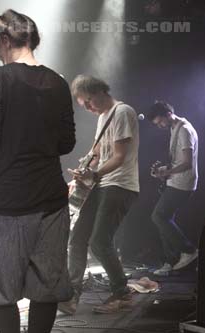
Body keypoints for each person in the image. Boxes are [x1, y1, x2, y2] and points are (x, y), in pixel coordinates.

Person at [0, 9, 75, 333]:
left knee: (0, 282)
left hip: (8, 198)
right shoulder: (59, 83)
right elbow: (66, 143)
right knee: (47, 282)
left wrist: (4, 142)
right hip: (51, 196)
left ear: (3, 42)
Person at [58, 75, 140, 315]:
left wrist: (94, 174)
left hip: (120, 185)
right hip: (101, 183)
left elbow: (119, 156)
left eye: (87, 103)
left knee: (99, 241)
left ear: (97, 93)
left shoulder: (123, 112)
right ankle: (71, 296)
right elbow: (97, 153)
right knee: (77, 238)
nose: (87, 108)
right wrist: (84, 169)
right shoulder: (103, 117)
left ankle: (122, 293)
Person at [147, 101, 199, 276]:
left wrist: (167, 172)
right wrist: (163, 170)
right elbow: (178, 160)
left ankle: (189, 250)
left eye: (160, 121)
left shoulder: (184, 129)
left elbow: (187, 163)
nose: (160, 125)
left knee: (158, 216)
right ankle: (170, 262)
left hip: (183, 183)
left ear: (168, 114)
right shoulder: (174, 128)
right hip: (175, 181)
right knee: (164, 220)